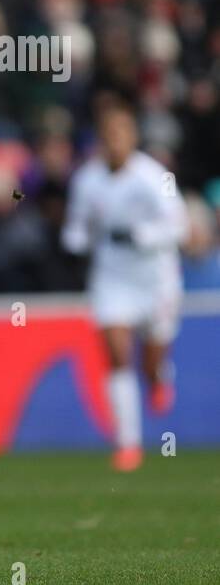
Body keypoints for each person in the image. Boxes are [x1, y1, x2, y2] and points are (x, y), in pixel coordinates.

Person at [61, 98, 187, 472]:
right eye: (108, 133)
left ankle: (159, 376)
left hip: (155, 278)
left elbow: (179, 225)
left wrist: (142, 235)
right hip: (112, 278)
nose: (114, 140)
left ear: (133, 136)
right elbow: (76, 229)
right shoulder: (86, 180)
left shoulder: (154, 177)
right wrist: (78, 240)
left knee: (151, 359)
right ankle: (128, 443)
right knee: (116, 354)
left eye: (121, 132)